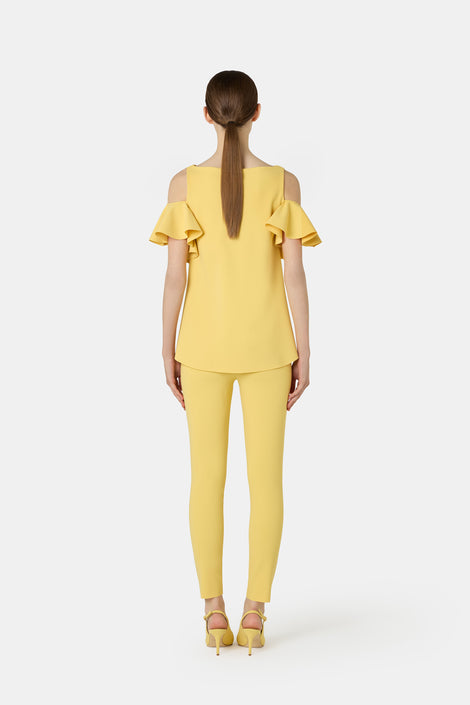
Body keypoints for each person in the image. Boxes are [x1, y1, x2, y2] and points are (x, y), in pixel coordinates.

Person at [148, 70, 322, 655]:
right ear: (256, 113)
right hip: (269, 349)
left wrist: (166, 348)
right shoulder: (284, 183)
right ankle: (255, 614)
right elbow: (294, 276)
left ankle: (213, 613)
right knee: (266, 481)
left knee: (207, 479)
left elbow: (175, 279)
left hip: (200, 348)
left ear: (206, 115)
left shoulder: (182, 184)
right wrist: (304, 349)